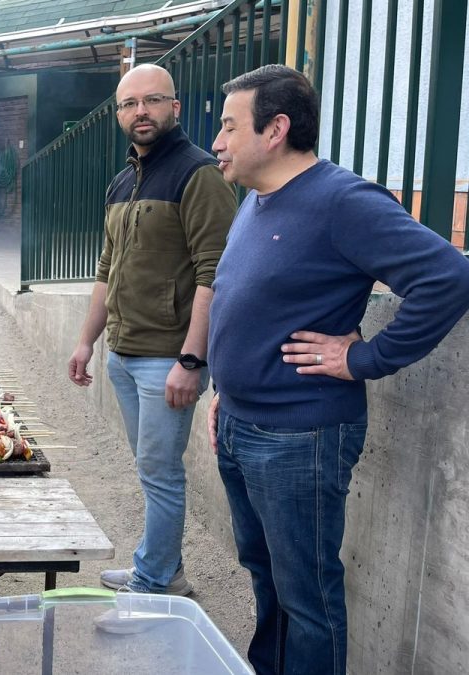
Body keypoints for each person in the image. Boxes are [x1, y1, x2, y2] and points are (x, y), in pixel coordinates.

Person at [207, 64, 469, 674]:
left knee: (308, 597)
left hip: (300, 437)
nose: (217, 142)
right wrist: (227, 386)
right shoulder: (256, 200)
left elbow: (448, 277)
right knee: (266, 577)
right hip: (241, 424)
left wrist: (362, 358)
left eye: (228, 127)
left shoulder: (342, 201)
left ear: (275, 129)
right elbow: (247, 303)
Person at [67, 63, 236, 595]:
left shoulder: (199, 174)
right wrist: (86, 341)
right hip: (123, 352)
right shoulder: (123, 181)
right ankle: (162, 567)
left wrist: (191, 360)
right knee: (149, 470)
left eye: (152, 101)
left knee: (161, 474)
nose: (140, 112)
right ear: (118, 114)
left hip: (168, 359)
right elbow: (106, 270)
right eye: (128, 104)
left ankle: (158, 576)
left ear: (174, 108)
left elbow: (217, 273)